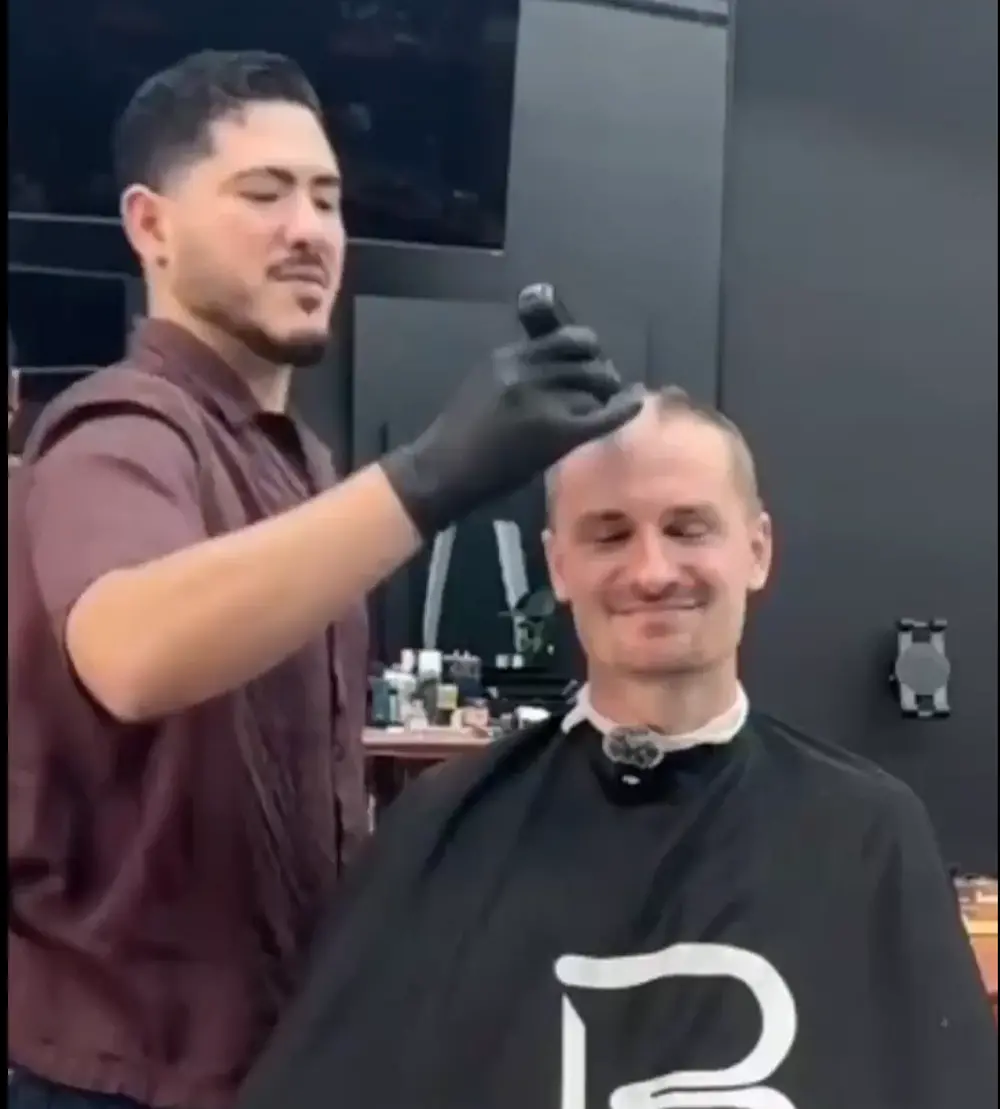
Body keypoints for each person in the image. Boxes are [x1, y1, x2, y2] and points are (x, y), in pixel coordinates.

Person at [7, 50, 641, 1109]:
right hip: (117, 1077)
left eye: (327, 198)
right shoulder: (119, 431)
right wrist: (431, 476)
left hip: (277, 1060)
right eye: (263, 194)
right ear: (151, 225)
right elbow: (131, 652)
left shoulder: (298, 463)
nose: (309, 230)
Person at [239, 387, 998, 1109]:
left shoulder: (865, 834)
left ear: (757, 549)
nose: (652, 571)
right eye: (609, 534)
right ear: (559, 566)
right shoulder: (441, 830)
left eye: (688, 528)